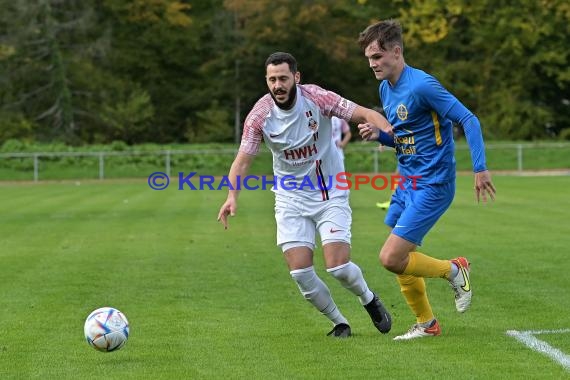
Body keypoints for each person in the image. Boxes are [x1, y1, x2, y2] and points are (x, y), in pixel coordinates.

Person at [217, 52, 393, 338]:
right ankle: (340, 322)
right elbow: (243, 160)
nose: (278, 85)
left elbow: (362, 112)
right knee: (300, 273)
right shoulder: (259, 116)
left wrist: (385, 130)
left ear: (296, 78)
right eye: (272, 79)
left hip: (330, 192)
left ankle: (369, 299)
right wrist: (231, 196)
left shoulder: (317, 98)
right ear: (267, 81)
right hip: (290, 198)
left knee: (338, 267)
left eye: (283, 78)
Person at [357, 20, 496, 340]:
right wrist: (381, 135)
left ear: (396, 51)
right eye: (368, 59)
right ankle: (427, 324)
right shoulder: (384, 89)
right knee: (400, 259)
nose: (372, 64)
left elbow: (468, 119)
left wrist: (480, 167)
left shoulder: (422, 85)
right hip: (407, 181)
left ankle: (454, 270)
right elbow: (407, 139)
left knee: (390, 258)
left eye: (377, 57)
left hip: (433, 184)